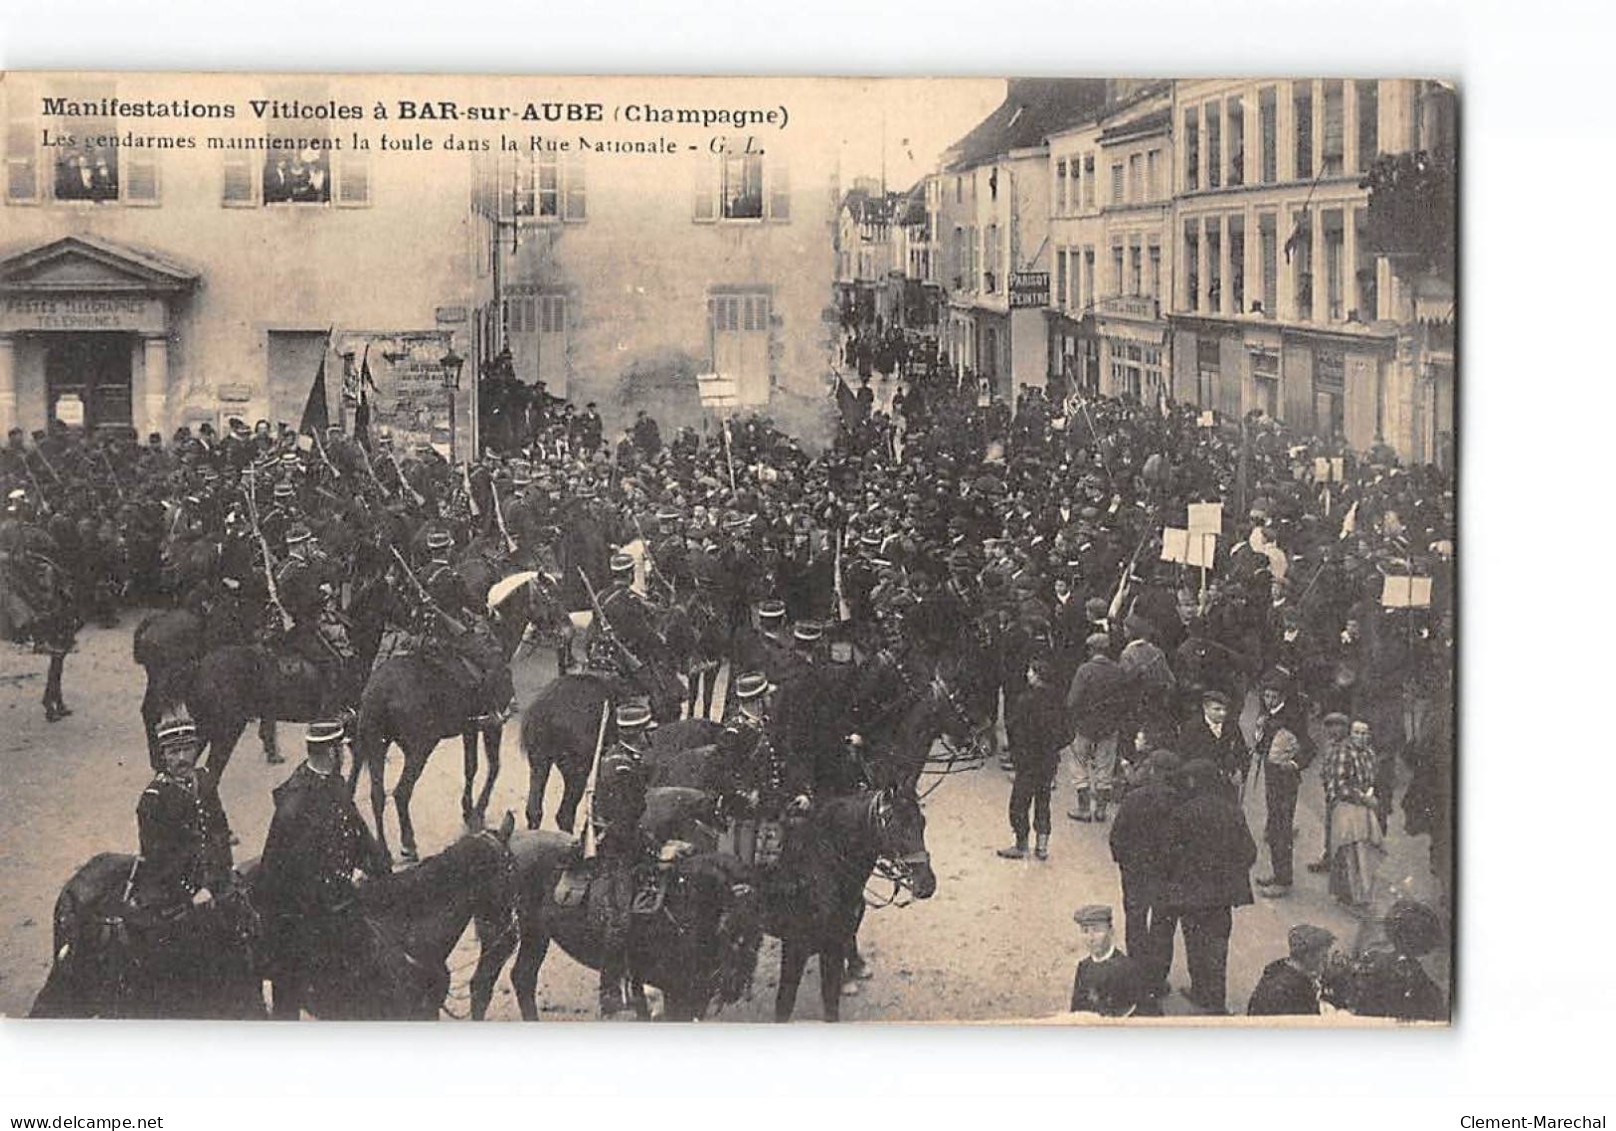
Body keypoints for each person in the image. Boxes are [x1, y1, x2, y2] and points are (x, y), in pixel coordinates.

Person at [255, 719, 391, 1018]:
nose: (345, 754)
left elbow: (354, 828)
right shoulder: (295, 803)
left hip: (336, 897)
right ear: (332, 752)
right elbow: (293, 872)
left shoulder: (334, 782)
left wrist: (376, 863)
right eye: (342, 749)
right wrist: (345, 881)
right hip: (305, 913)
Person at [1158, 758, 1258, 1015]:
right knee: (1217, 946)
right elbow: (1249, 853)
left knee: (1195, 944)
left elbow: (1168, 854)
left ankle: (1201, 991)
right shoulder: (1233, 811)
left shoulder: (1183, 812)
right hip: (1222, 896)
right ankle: (1217, 999)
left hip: (1191, 894)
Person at [131, 718, 233, 917]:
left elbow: (219, 832)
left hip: (210, 877)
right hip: (173, 889)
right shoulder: (154, 799)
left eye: (187, 750)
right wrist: (192, 894)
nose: (182, 758)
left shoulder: (204, 781)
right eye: (174, 752)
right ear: (163, 757)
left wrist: (218, 878)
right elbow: (158, 858)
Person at [589, 701, 653, 1017]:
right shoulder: (620, 768)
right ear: (637, 734)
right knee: (622, 920)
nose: (649, 739)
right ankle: (609, 990)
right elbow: (624, 823)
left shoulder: (629, 758)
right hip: (616, 849)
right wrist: (654, 847)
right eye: (646, 733)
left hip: (629, 839)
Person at [1108, 749, 1181, 1002]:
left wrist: (1124, 862)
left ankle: (1137, 975)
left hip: (1136, 871)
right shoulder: (1181, 802)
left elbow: (1117, 835)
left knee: (1136, 920)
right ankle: (1157, 980)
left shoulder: (1134, 798)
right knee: (1163, 925)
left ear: (1151, 770)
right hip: (1168, 875)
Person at [998, 658, 1068, 861]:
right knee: (1043, 800)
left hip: (1027, 760)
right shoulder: (1057, 701)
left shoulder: (1025, 701)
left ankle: (1021, 844)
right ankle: (1042, 846)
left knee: (1019, 803)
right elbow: (1067, 731)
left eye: (1030, 671)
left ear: (1037, 675)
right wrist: (1054, 747)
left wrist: (1016, 752)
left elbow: (1014, 728)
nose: (1028, 674)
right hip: (1048, 761)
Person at [1252, 669, 1313, 897]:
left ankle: (1283, 880)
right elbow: (1261, 750)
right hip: (1271, 779)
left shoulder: (1292, 719)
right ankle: (1278, 874)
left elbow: (1309, 748)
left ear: (1283, 697)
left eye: (1274, 697)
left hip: (1286, 781)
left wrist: (1295, 764)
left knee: (1282, 830)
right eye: (1266, 697)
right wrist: (1259, 732)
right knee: (1275, 828)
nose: (1269, 701)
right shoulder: (1268, 716)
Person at [1065, 632, 1130, 823]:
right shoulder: (1118, 670)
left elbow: (1073, 700)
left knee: (1078, 762)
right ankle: (1101, 810)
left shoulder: (1085, 670)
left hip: (1085, 724)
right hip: (1109, 725)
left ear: (1091, 649)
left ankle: (1084, 808)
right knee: (1105, 766)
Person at [1068, 905, 1142, 1017]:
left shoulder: (1126, 967)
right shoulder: (1084, 967)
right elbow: (1076, 1010)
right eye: (1085, 931)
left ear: (1111, 932)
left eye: (1097, 931)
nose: (1091, 938)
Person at [1247, 924, 1337, 1016]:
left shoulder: (1278, 972)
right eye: (1323, 956)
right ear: (1308, 956)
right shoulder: (1293, 989)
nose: (1326, 962)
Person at [1176, 689, 1246, 791]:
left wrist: (1240, 771)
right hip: (1200, 785)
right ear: (1205, 708)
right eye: (1217, 709)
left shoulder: (1232, 727)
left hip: (1227, 786)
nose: (1222, 713)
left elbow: (1242, 752)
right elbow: (1183, 755)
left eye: (1224, 709)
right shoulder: (1192, 728)